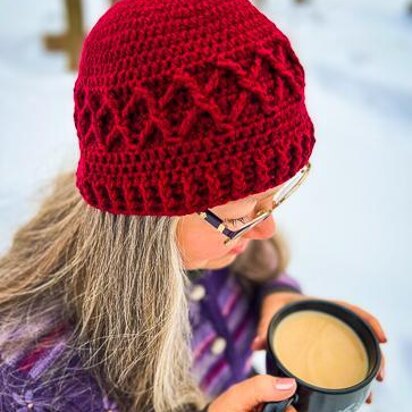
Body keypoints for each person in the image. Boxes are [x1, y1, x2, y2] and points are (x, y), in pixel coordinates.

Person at [0, 0, 387, 410]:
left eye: (274, 197)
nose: (266, 229)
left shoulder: (217, 240)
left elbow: (254, 256)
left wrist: (280, 298)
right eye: (243, 214)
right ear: (148, 220)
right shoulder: (36, 382)